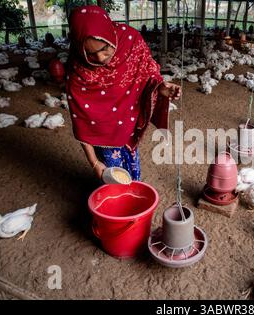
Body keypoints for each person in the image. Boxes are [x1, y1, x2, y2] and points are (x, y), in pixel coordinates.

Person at [66, 5, 181, 182]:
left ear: (110, 34)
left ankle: (134, 190)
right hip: (103, 132)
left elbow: (147, 71)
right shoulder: (78, 70)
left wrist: (160, 87)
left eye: (104, 48)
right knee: (113, 174)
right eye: (91, 53)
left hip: (129, 121)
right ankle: (118, 200)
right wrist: (94, 162)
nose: (101, 58)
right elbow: (81, 120)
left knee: (133, 166)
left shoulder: (130, 40)